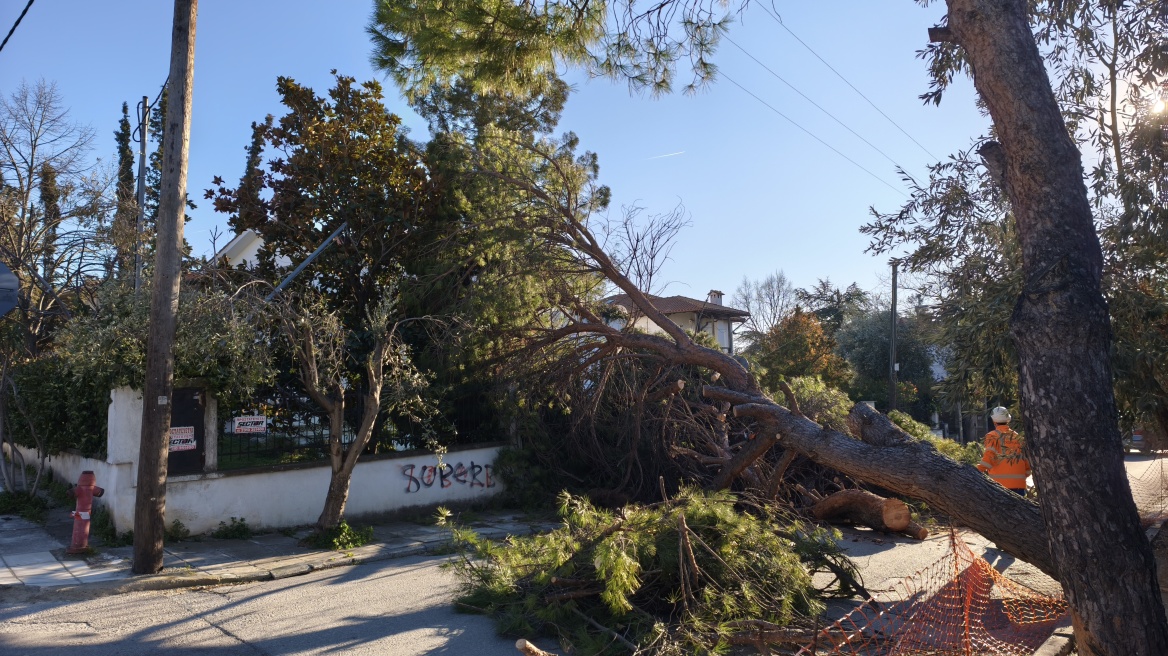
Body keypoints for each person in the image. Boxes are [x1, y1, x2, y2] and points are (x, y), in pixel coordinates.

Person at [976, 407, 1030, 495]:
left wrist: (977, 470)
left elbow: (989, 457)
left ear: (994, 421)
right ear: (1008, 420)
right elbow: (1027, 464)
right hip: (1019, 486)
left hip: (999, 486)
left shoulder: (992, 436)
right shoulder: (1018, 437)